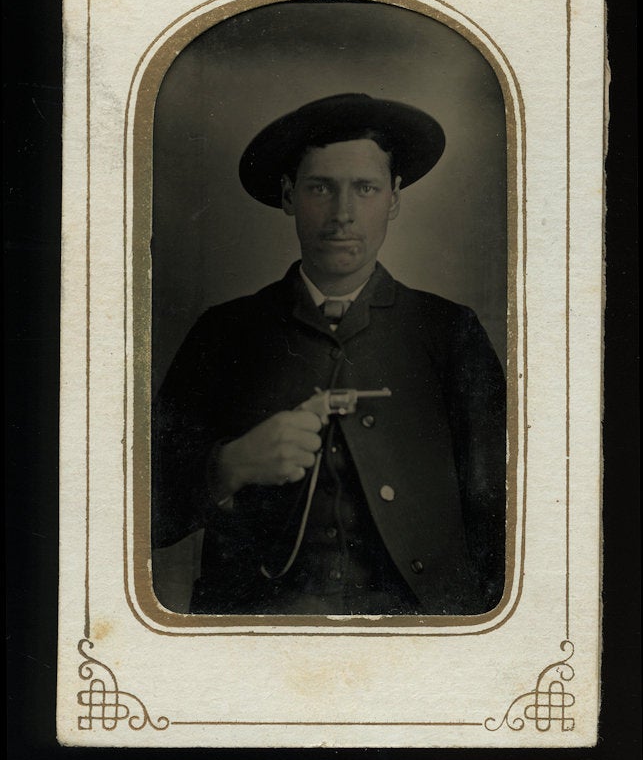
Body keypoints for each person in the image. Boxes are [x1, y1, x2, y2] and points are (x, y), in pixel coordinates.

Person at [152, 93, 506, 617]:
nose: (343, 214)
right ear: (290, 195)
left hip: (421, 628)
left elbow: (503, 514)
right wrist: (229, 465)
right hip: (260, 630)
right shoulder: (224, 332)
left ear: (394, 198)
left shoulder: (450, 331)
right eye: (321, 188)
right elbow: (145, 515)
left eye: (365, 188)